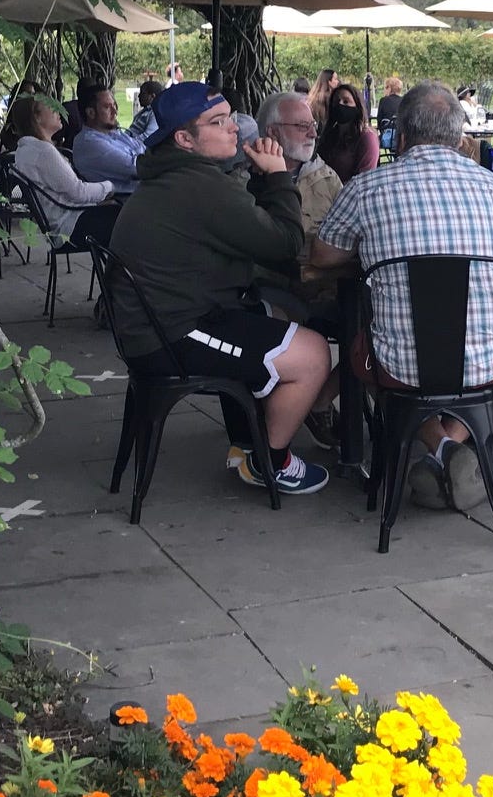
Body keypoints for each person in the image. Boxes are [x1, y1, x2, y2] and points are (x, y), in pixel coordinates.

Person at [107, 83, 332, 495]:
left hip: (157, 325)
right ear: (184, 139)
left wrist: (265, 182)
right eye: (217, 122)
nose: (234, 128)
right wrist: (280, 176)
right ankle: (271, 462)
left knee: (267, 315)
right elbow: (284, 245)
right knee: (314, 353)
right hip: (172, 336)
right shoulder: (200, 187)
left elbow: (247, 231)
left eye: (230, 116)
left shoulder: (176, 178)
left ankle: (245, 444)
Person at [312, 81, 493, 515]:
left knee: (362, 355)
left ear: (400, 137)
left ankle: (438, 445)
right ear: (460, 138)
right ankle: (455, 446)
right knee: (469, 371)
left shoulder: (368, 188)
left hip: (399, 363)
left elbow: (324, 254)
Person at [6, 95, 120, 247]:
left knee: (125, 214)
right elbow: (78, 192)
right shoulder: (43, 152)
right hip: (71, 227)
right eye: (51, 107)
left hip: (63, 222)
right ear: (37, 117)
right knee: (133, 219)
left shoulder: (25, 150)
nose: (58, 110)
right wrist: (110, 186)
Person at [255, 91, 344, 255]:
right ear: (273, 132)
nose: (313, 134)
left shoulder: (328, 179)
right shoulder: (243, 181)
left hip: (320, 279)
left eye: (314, 125)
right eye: (303, 126)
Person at [71, 81, 145, 193]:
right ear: (91, 113)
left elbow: (143, 149)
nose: (115, 111)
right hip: (125, 204)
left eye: (114, 105)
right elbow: (138, 168)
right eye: (107, 107)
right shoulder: (89, 143)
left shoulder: (113, 133)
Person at [317, 82, 379, 182]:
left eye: (346, 101)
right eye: (336, 101)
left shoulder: (367, 137)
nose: (340, 104)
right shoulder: (330, 134)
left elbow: (365, 178)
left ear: (357, 106)